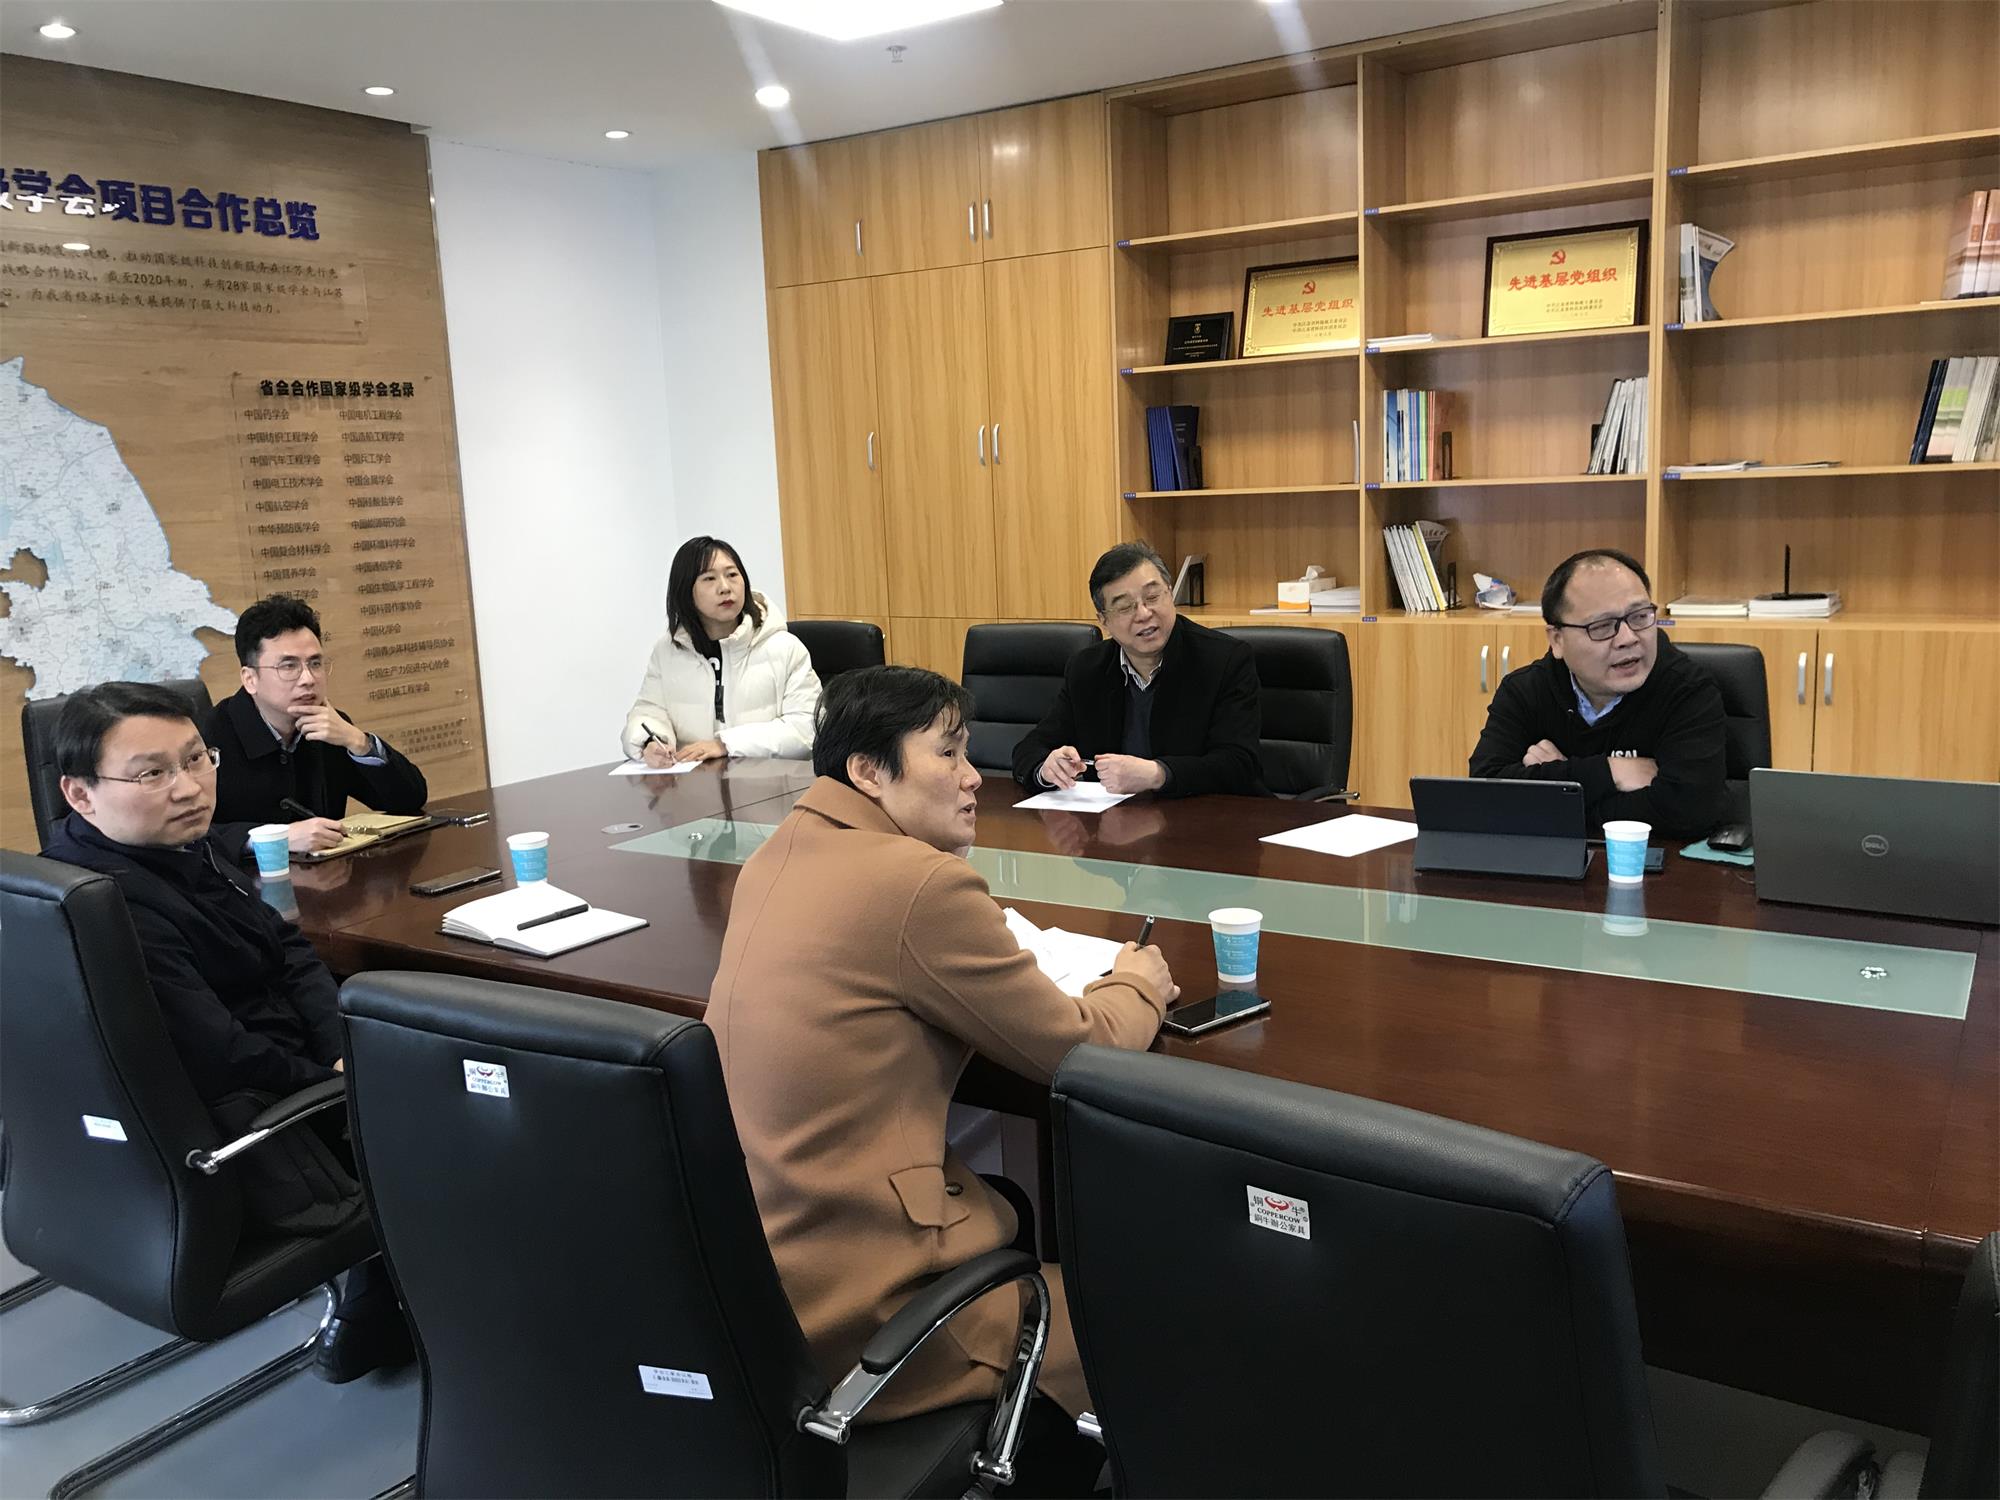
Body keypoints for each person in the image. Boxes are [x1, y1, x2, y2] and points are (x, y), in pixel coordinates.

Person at [708, 665, 1175, 1436]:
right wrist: (1138, 982)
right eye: (948, 754)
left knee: (1015, 1212)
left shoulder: (773, 855)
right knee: (1156, 1317)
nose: (973, 777)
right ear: (868, 771)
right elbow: (1084, 1049)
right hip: (872, 1316)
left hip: (761, 1282)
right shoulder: (917, 883)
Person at [42, 681, 412, 1382]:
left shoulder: (179, 848)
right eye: (152, 774)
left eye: (195, 759)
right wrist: (338, 1079)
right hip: (252, 1132)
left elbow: (287, 946)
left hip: (289, 1072)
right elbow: (224, 1056)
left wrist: (339, 1046)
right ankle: (399, 1300)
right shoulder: (106, 906)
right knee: (474, 1098)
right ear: (81, 794)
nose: (188, 788)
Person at [1468, 548, 1726, 837]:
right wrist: (1609, 771)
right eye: (1602, 627)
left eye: (1640, 617)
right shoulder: (1525, 690)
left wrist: (1558, 787)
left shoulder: (1688, 689)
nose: (1628, 638)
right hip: (1551, 861)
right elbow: (1484, 794)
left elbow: (1688, 811)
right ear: (1557, 639)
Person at [1011, 542, 1264, 798]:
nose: (1143, 613)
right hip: (1114, 818)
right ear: (1104, 620)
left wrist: (1158, 774)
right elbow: (1030, 748)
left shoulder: (1224, 660)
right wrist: (1047, 769)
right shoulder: (1086, 669)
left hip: (1205, 815)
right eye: (1125, 607)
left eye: (1152, 597)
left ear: (1170, 593)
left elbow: (1239, 765)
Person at [204, 595, 428, 861]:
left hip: (328, 878)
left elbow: (409, 800)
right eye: (289, 666)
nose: (308, 679)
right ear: (250, 678)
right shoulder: (209, 739)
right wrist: (276, 838)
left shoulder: (332, 727)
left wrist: (358, 742)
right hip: (244, 883)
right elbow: (186, 836)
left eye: (315, 663)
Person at [620, 536, 820, 765]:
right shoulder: (667, 651)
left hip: (768, 781)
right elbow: (649, 711)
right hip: (692, 782)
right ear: (685, 591)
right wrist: (651, 742)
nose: (725, 588)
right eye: (709, 578)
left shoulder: (784, 648)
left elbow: (807, 729)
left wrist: (726, 744)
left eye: (732, 575)